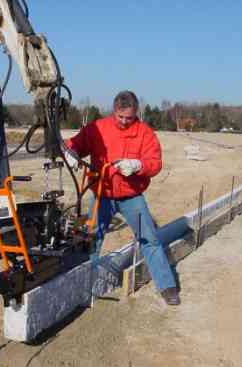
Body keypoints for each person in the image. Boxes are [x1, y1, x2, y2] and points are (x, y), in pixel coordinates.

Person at [65, 90, 180, 305]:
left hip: (131, 197)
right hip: (103, 195)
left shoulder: (144, 132)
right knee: (91, 241)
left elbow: (155, 162)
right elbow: (73, 145)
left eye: (130, 117)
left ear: (136, 113)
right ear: (114, 111)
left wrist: (138, 165)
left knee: (150, 240)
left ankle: (167, 286)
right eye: (121, 117)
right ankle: (79, 288)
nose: (125, 122)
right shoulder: (97, 128)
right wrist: (70, 154)